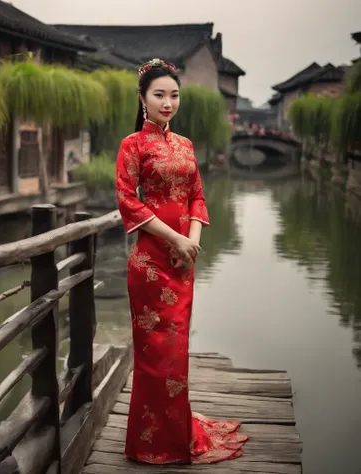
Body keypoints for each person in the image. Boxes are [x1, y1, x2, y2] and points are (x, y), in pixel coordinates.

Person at [115, 58, 249, 465]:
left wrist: (191, 242)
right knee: (153, 355)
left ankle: (173, 437)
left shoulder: (186, 145)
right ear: (143, 99)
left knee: (176, 354)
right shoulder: (132, 145)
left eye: (174, 95)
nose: (168, 102)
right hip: (150, 263)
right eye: (159, 95)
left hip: (181, 262)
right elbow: (127, 200)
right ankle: (148, 443)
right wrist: (173, 237)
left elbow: (197, 197)